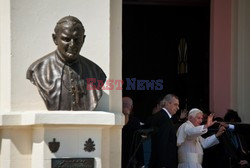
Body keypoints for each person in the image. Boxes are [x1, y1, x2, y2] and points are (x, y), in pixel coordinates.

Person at [26, 16, 106, 111]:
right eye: (66, 39)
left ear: (83, 39)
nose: (72, 45)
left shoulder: (95, 72)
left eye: (76, 40)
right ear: (55, 39)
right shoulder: (38, 69)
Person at [149, 94, 180, 168]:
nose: (178, 108)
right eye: (175, 104)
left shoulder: (162, 117)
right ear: (167, 103)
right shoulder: (164, 119)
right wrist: (162, 164)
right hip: (164, 163)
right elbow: (162, 142)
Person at [122, 97, 144, 168]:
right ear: (131, 107)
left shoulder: (115, 118)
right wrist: (141, 162)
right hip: (129, 158)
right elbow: (138, 143)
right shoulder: (135, 122)